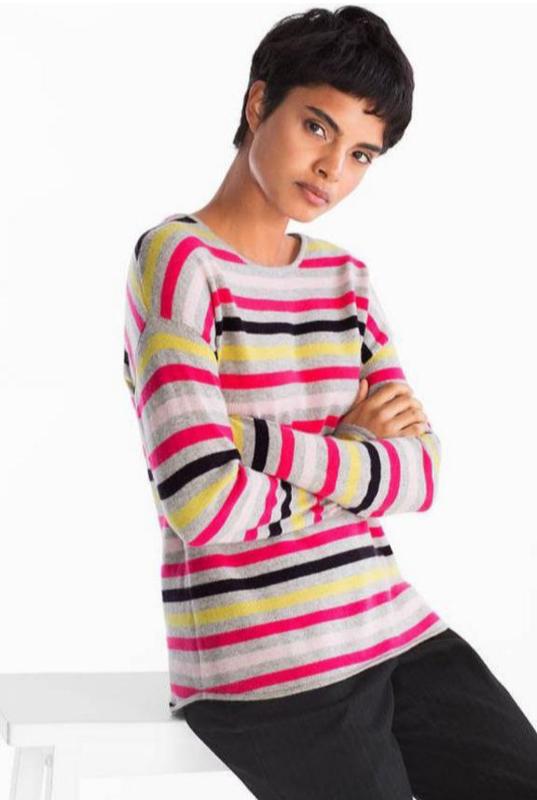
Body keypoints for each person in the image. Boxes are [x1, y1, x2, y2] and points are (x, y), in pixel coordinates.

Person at [122, 5, 537, 797]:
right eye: (316, 127)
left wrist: (260, 445)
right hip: (265, 661)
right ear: (258, 104)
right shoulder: (179, 261)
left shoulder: (345, 280)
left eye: (360, 154)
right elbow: (202, 503)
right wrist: (351, 453)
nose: (331, 170)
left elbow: (420, 474)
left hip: (391, 624)